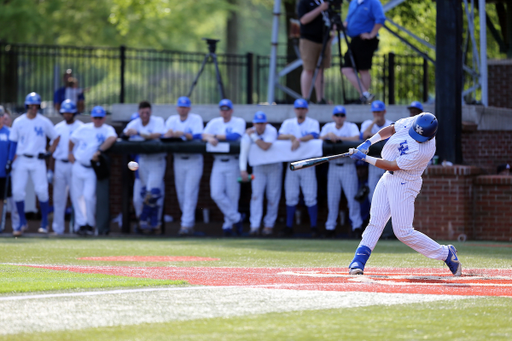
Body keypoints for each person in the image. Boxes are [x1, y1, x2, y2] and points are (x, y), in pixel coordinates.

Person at [347, 112, 462, 277]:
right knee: (376, 222)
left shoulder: (423, 151)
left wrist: (365, 158)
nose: (415, 137)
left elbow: (393, 165)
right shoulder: (416, 121)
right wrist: (368, 142)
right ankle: (358, 262)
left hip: (405, 183)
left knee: (403, 231)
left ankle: (445, 253)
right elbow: (392, 129)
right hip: (388, 177)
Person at [8, 92, 60, 236]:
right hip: (22, 159)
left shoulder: (44, 121)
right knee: (17, 191)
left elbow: (56, 137)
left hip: (38, 159)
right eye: (31, 105)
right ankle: (21, 223)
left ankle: (44, 223)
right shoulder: (18, 122)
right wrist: (9, 160)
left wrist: (50, 151)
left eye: (36, 105)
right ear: (27, 106)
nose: (34, 108)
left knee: (42, 191)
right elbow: (13, 142)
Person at [69, 106, 117, 235]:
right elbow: (72, 140)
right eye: (95, 117)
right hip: (78, 165)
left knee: (89, 197)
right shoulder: (84, 128)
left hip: (92, 168)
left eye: (100, 118)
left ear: (104, 118)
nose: (98, 120)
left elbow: (112, 139)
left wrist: (99, 151)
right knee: (77, 196)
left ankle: (90, 224)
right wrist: (70, 153)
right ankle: (80, 225)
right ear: (91, 117)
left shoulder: (107, 129)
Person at [202, 99, 246, 236]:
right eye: (222, 109)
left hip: (233, 162)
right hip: (218, 162)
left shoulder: (239, 121)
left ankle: (227, 226)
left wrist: (215, 136)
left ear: (231, 111)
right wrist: (209, 139)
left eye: (227, 109)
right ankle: (237, 219)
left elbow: (234, 136)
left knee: (233, 196)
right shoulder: (215, 122)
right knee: (216, 193)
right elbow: (202, 135)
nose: (224, 112)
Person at [278, 98, 320, 237]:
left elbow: (314, 135)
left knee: (310, 196)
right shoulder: (288, 123)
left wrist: (298, 139)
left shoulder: (312, 122)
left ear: (306, 110)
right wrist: (291, 137)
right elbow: (279, 136)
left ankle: (314, 227)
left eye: (302, 108)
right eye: (298, 108)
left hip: (307, 163)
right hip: (292, 163)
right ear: (295, 110)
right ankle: (289, 226)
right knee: (290, 196)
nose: (300, 110)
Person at [124, 101, 166, 233]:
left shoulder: (157, 121)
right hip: (142, 160)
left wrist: (139, 133)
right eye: (142, 112)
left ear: (150, 112)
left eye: (147, 112)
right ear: (139, 112)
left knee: (152, 193)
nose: (145, 114)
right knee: (143, 195)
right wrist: (129, 133)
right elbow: (125, 134)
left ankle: (147, 221)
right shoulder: (135, 122)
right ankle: (148, 223)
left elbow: (157, 135)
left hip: (157, 160)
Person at [320, 106, 362, 238]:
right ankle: (330, 227)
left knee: (352, 199)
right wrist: (328, 135)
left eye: (341, 115)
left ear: (345, 117)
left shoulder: (351, 126)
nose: (339, 117)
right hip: (332, 167)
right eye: (337, 115)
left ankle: (356, 226)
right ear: (333, 117)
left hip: (348, 166)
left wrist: (339, 138)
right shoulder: (328, 127)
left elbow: (357, 138)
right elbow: (319, 139)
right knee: (332, 199)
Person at [164, 96, 204, 236]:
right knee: (181, 194)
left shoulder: (196, 118)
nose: (182, 109)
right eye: (180, 106)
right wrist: (169, 134)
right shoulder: (171, 120)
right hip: (178, 159)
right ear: (177, 108)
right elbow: (164, 136)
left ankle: (185, 225)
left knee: (189, 193)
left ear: (189, 108)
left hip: (193, 160)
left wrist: (185, 134)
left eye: (185, 107)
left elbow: (199, 136)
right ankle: (189, 223)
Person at [239, 111, 282, 236]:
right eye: (257, 123)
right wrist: (243, 169)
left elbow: (265, 146)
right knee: (256, 196)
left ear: (266, 123)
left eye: (262, 123)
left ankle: (269, 225)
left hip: (273, 167)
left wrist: (253, 137)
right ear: (254, 123)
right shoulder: (248, 134)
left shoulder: (271, 130)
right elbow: (244, 152)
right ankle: (255, 226)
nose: (260, 126)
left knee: (273, 196)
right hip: (258, 167)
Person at [341, 0, 385, 103]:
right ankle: (365, 94)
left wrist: (371, 35)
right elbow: (348, 19)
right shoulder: (354, 2)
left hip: (366, 40)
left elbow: (380, 19)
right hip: (354, 40)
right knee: (346, 69)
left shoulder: (373, 2)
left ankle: (364, 97)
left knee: (363, 69)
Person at [51, 99, 84, 235]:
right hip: (59, 163)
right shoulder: (58, 127)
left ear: (74, 113)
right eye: (65, 113)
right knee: (58, 198)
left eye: (70, 113)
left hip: (74, 164)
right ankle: (58, 229)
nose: (67, 115)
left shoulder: (81, 126)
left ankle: (78, 227)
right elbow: (53, 150)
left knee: (76, 195)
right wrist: (50, 169)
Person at [297, 0, 332, 103]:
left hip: (324, 40)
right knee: (308, 69)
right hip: (309, 40)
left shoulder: (327, 2)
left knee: (320, 70)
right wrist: (320, 9)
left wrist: (332, 30)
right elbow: (303, 20)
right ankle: (305, 98)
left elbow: (332, 18)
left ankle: (320, 98)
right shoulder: (304, 2)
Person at [360, 100, 393, 203]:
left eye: (379, 112)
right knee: (372, 193)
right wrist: (374, 121)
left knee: (390, 193)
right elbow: (363, 135)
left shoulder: (390, 124)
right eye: (375, 112)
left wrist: (372, 135)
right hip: (373, 160)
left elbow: (392, 139)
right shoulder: (367, 123)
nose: (377, 114)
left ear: (384, 112)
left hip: (388, 161)